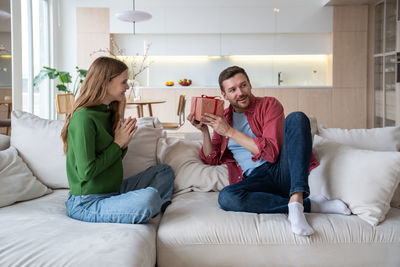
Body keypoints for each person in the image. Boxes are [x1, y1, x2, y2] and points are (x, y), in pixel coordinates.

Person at [188, 66, 350, 236]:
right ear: (224, 95)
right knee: (227, 197)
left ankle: (297, 200)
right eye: (232, 90)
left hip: (282, 169)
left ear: (250, 85)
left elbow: (271, 153)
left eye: (243, 85)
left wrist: (229, 131)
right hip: (256, 180)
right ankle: (312, 205)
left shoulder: (269, 105)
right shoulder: (224, 118)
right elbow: (211, 159)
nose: (240, 93)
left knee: (297, 118)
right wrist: (205, 131)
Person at [61, 56, 174, 224]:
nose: (127, 87)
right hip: (87, 202)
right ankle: (149, 207)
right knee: (149, 197)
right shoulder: (83, 118)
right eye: (124, 82)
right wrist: (118, 144)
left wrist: (122, 145)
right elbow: (86, 172)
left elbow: (111, 161)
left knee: (163, 171)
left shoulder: (107, 113)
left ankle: (147, 208)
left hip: (114, 191)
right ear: (106, 82)